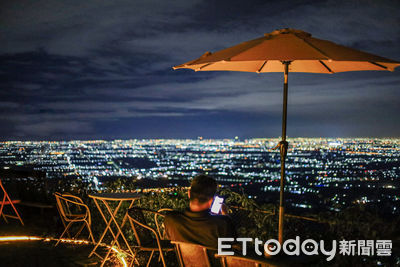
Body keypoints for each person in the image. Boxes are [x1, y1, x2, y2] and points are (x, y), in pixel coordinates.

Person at [164, 174, 236, 248]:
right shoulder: (223, 223)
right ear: (211, 200)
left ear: (189, 194)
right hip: (215, 259)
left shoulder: (171, 219)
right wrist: (224, 215)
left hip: (182, 259)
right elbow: (233, 249)